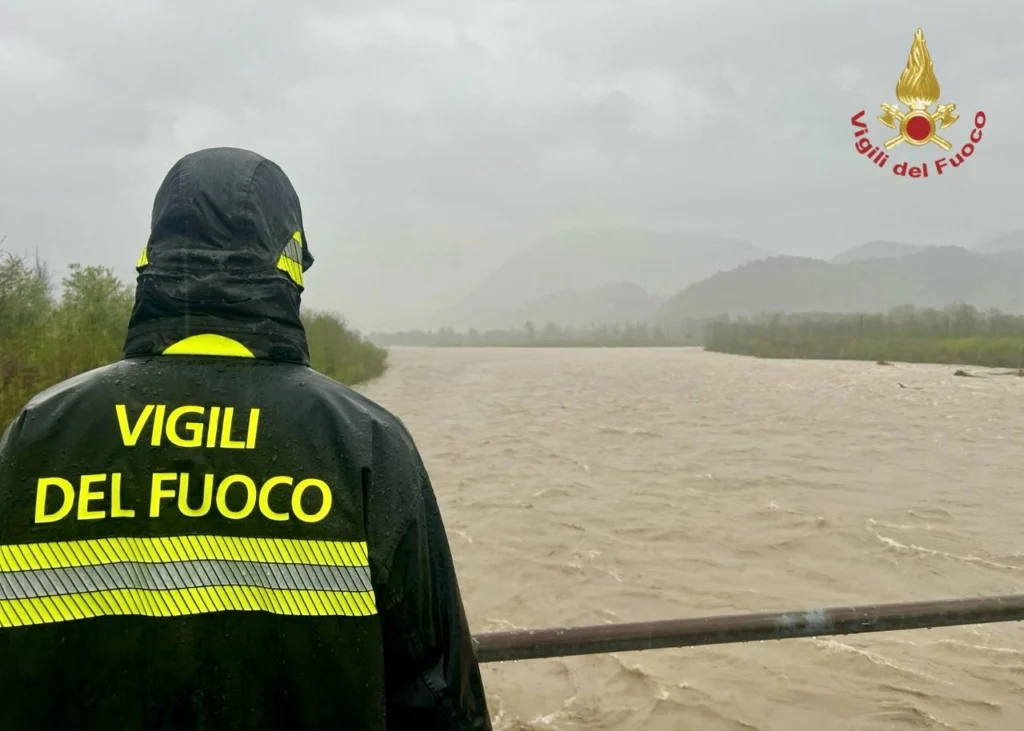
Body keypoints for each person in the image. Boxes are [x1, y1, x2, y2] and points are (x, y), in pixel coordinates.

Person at [0, 147, 492, 730]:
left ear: (151, 259)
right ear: (291, 266)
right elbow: (438, 694)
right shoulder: (366, 443)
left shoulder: (40, 433)